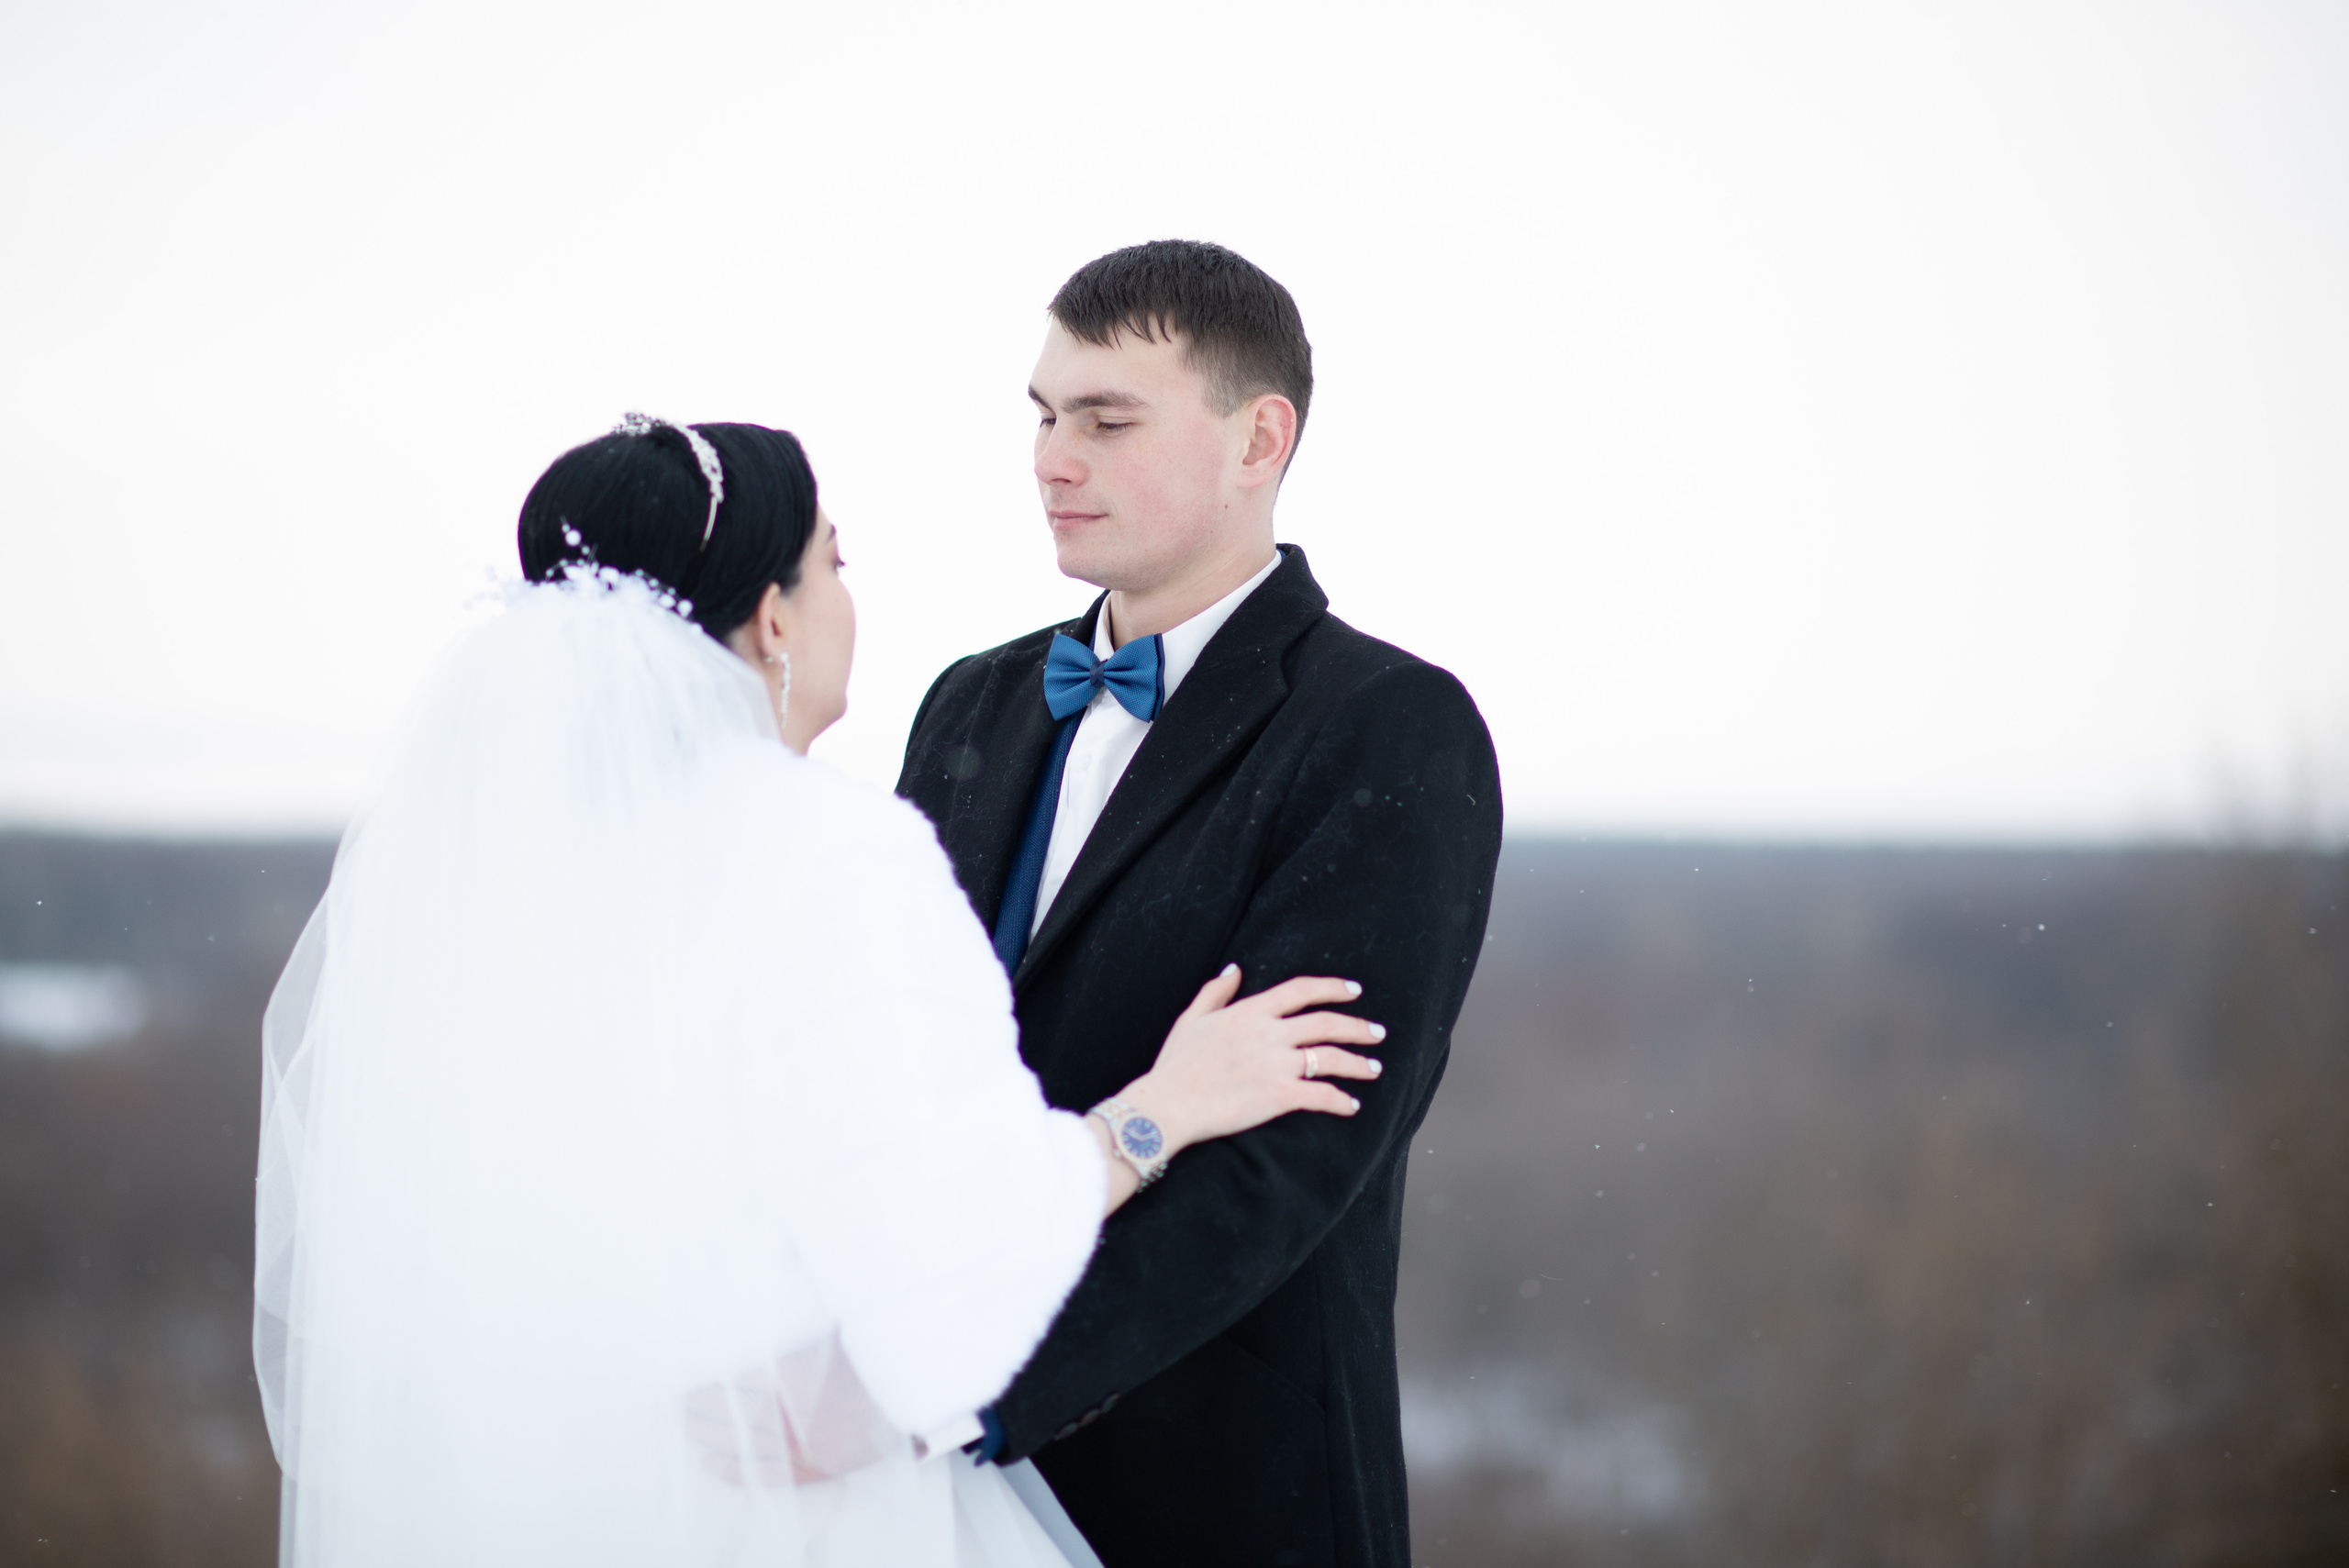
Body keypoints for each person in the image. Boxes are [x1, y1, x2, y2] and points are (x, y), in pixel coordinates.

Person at [250, 415, 1386, 1567]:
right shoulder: (820, 849)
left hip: (555, 1501)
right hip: (782, 1506)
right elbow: (956, 1235)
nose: (847, 593)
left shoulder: (478, 886)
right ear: (774, 614)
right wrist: (1167, 1109)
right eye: (833, 560)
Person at [896, 241, 1504, 1568]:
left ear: (1258, 438)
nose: (1054, 460)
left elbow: (1288, 1161)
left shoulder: (1390, 728)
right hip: (911, 1495)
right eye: (1046, 418)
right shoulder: (970, 704)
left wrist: (960, 1393)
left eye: (1108, 421)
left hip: (1212, 1496)